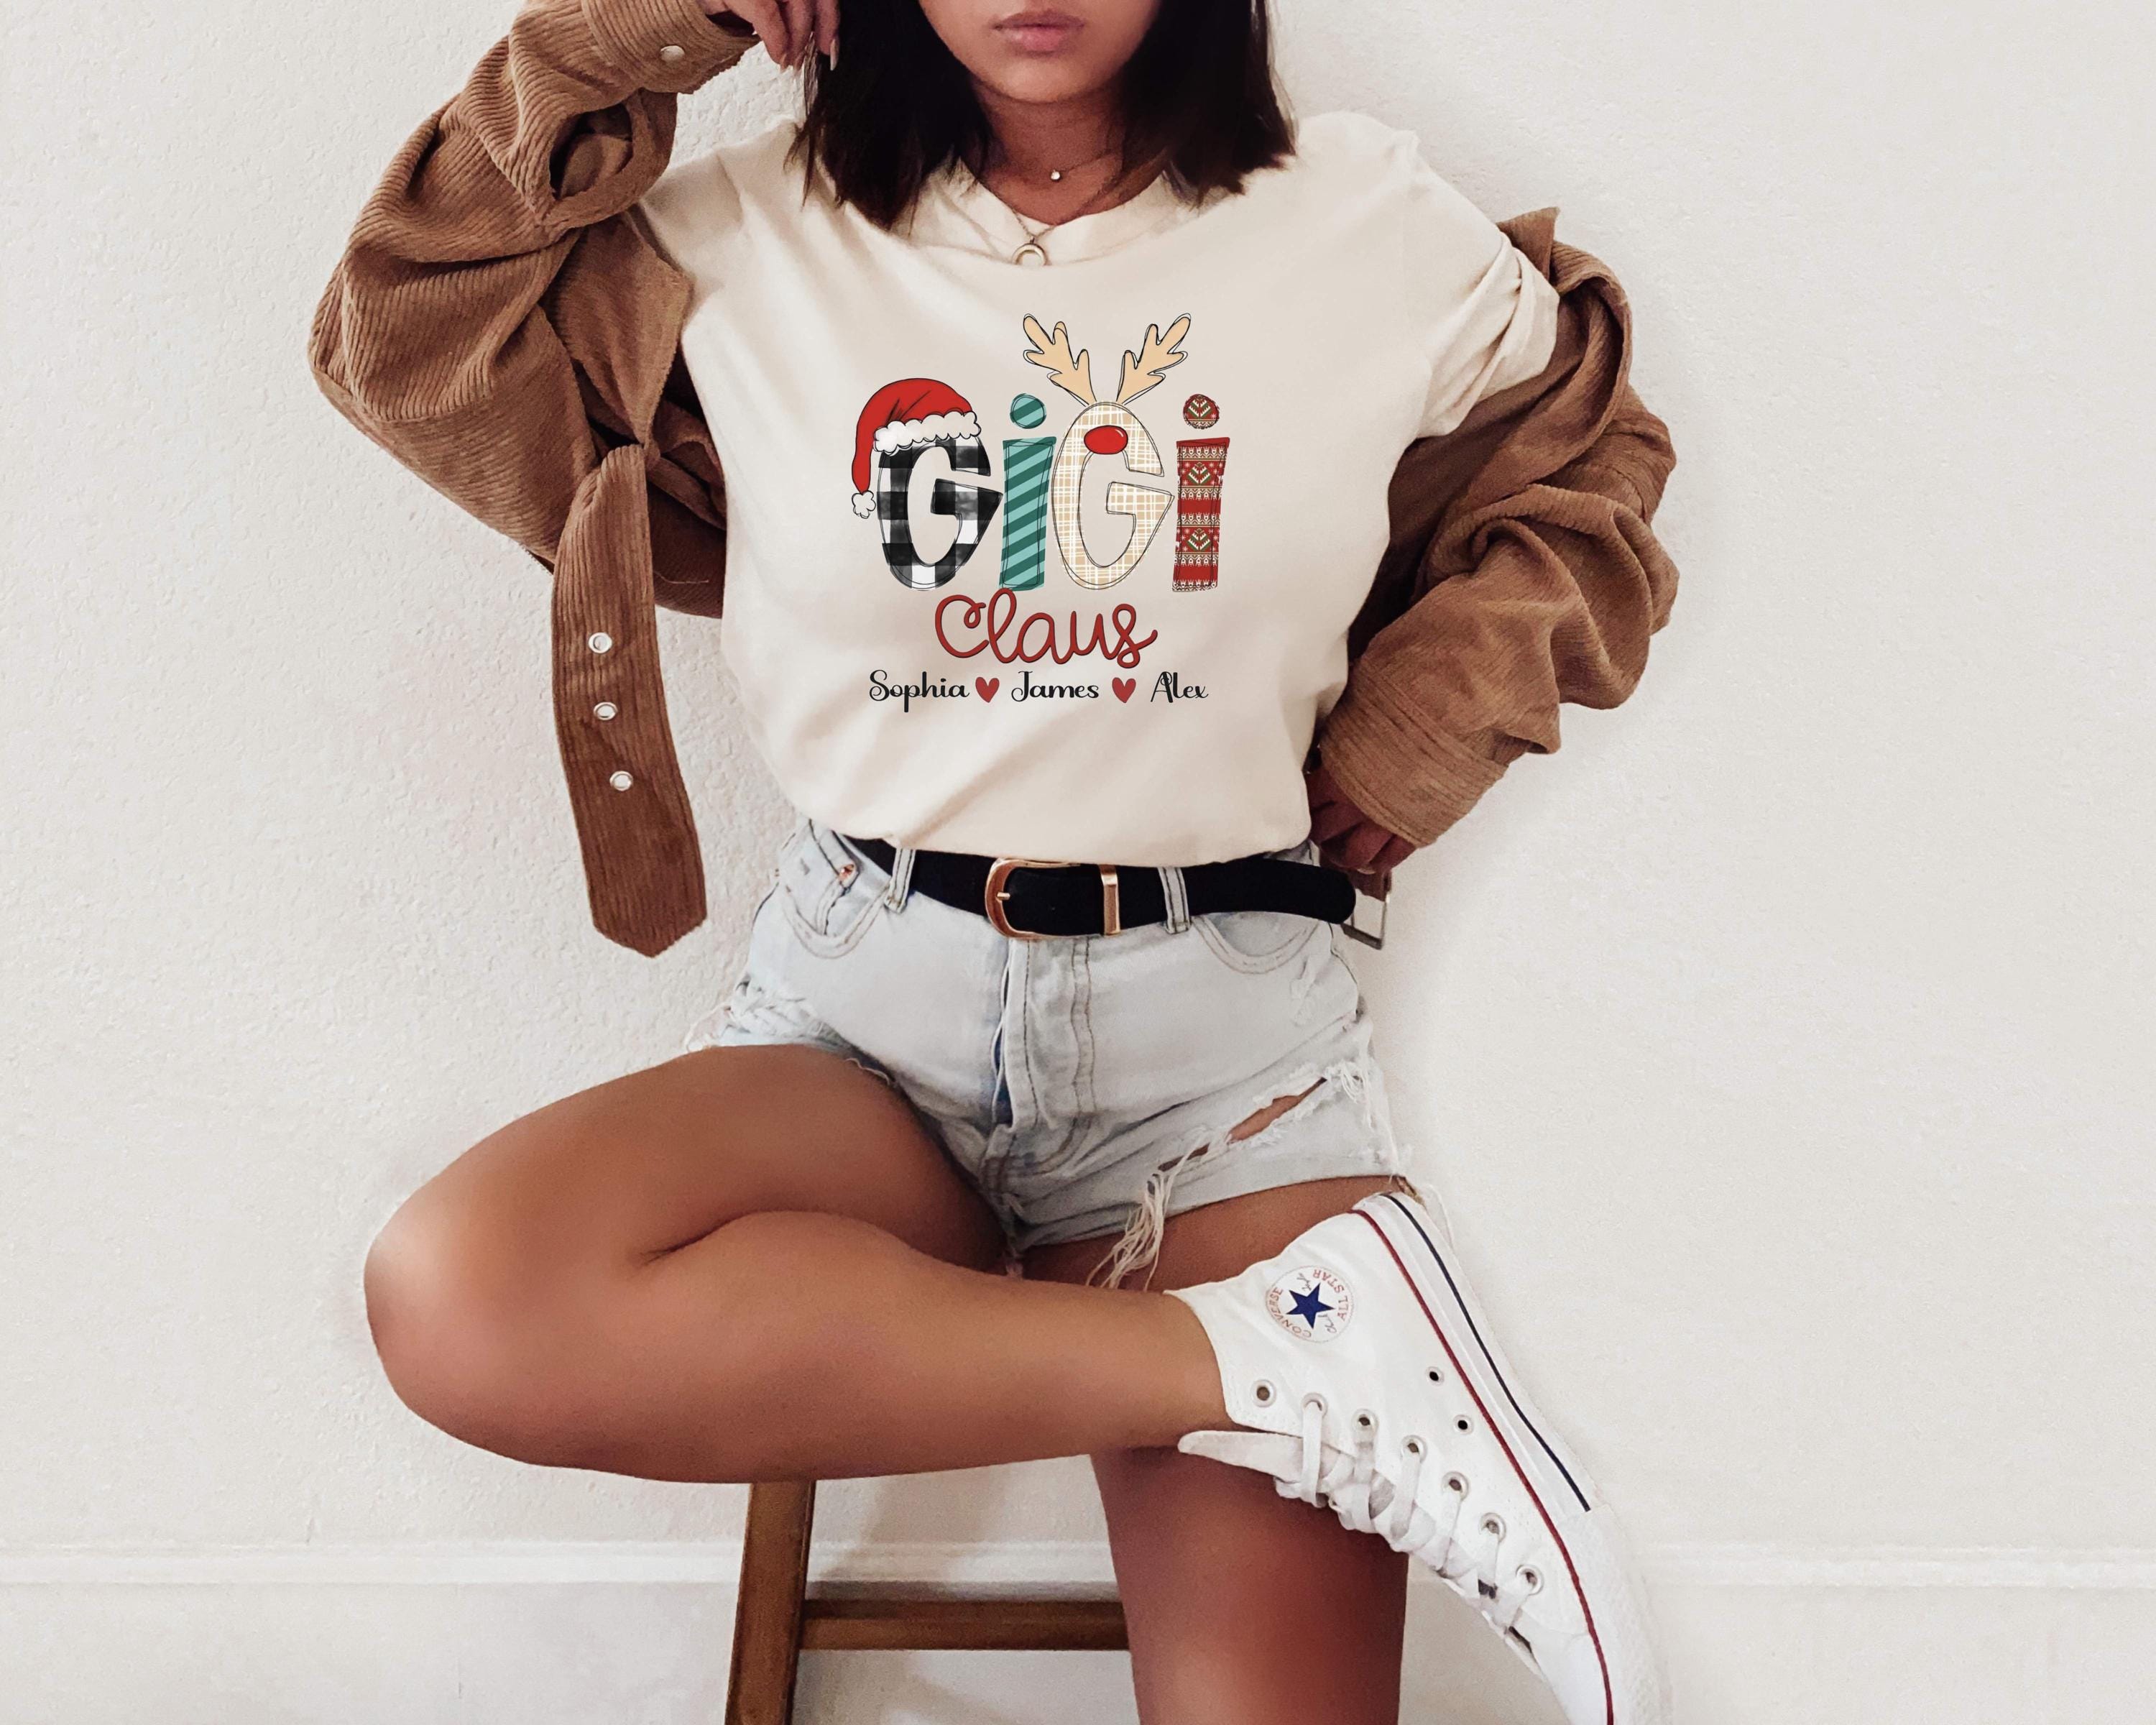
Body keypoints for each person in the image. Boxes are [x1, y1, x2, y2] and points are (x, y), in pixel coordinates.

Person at [307, 1, 1681, 1719]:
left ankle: (1313, 1351)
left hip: (1224, 1062)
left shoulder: (1360, 224)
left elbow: (1592, 457)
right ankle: (1298, 1355)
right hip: (864, 1027)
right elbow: (400, 334)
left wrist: (1427, 721)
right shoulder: (741, 232)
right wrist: (660, 24)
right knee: (464, 1296)